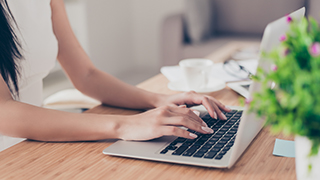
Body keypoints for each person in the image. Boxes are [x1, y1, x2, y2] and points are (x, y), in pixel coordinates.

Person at [0, 0, 230, 151]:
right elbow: (3, 111)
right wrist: (125, 125)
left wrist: (158, 100)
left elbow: (86, 75)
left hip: (36, 143)